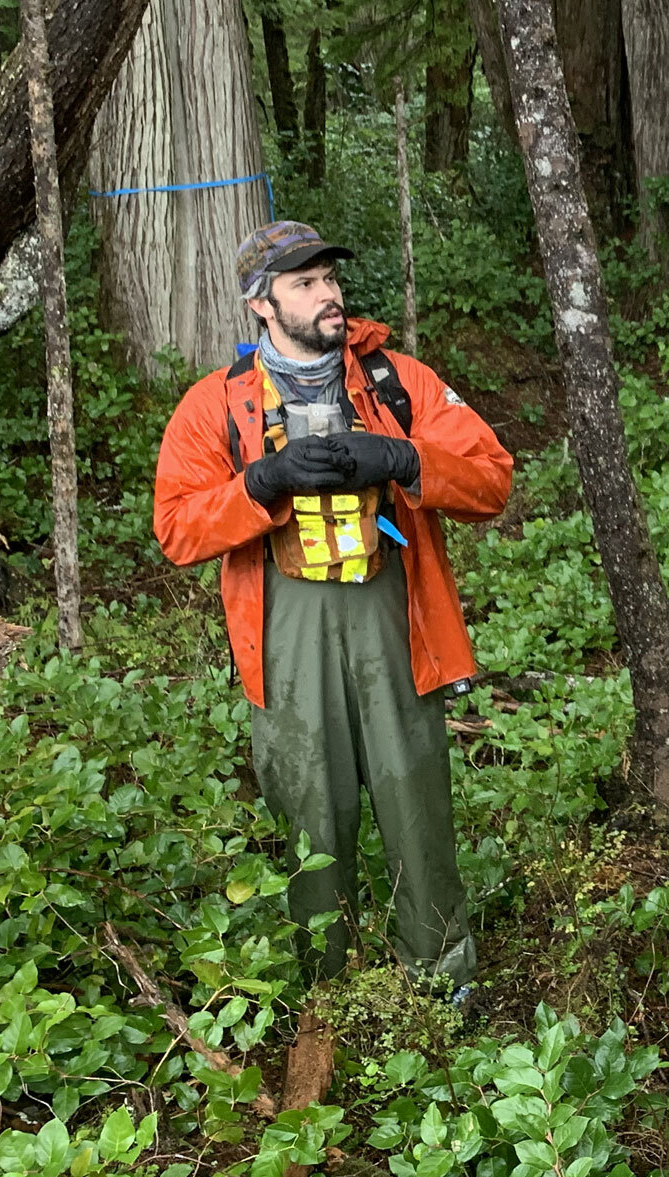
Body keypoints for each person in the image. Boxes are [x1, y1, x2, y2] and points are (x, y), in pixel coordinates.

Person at [154, 221, 513, 993]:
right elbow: (177, 527)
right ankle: (328, 984)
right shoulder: (217, 406)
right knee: (309, 796)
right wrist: (260, 483)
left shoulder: (396, 381)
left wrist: (407, 458)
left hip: (393, 606)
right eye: (306, 283)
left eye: (329, 278)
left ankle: (440, 972)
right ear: (261, 303)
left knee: (413, 789)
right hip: (287, 617)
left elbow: (492, 478)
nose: (330, 295)